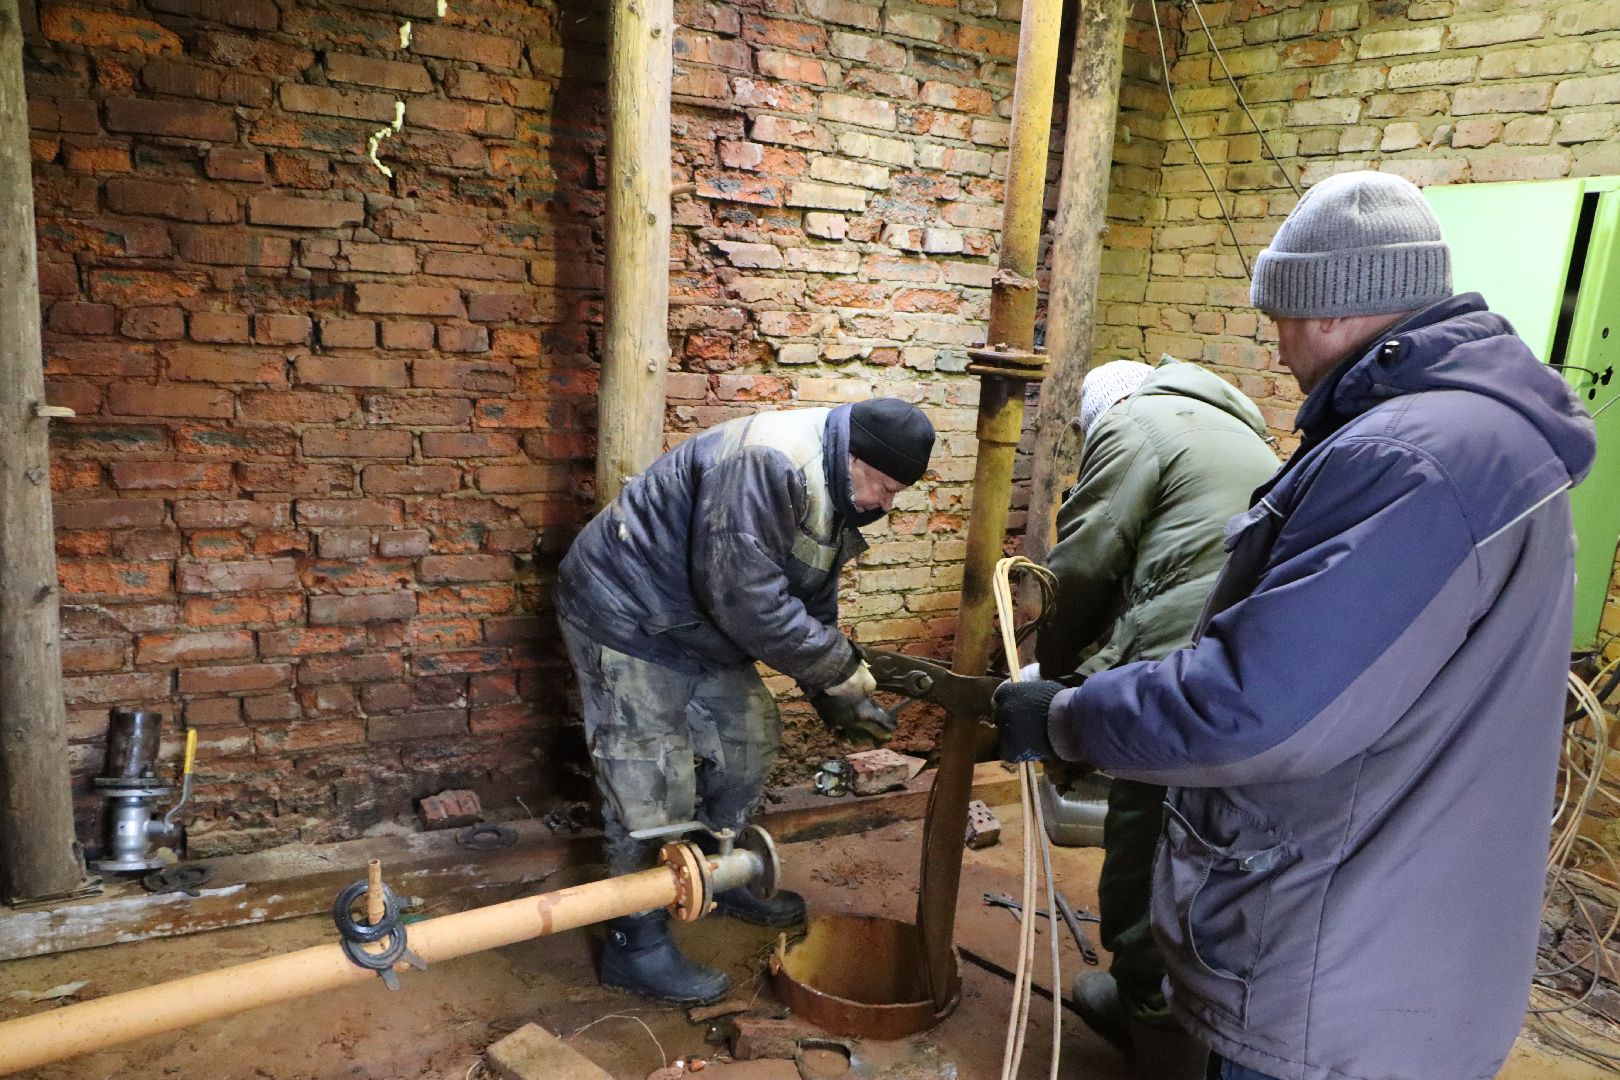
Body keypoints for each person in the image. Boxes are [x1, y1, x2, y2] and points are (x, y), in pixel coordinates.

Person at [994, 171, 1596, 1079]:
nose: (1275, 347)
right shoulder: (1486, 439)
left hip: (1337, 974)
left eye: (1280, 316)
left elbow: (1250, 707)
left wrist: (1065, 711)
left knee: (1138, 818)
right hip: (1416, 946)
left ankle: (1143, 1000)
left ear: (1327, 307)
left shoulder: (1409, 457)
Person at [555, 397, 935, 1005]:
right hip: (627, 612)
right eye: (885, 487)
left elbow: (808, 599)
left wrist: (829, 693)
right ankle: (636, 941)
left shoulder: (836, 489)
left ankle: (717, 870)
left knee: (750, 743)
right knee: (650, 780)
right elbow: (749, 603)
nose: (886, 506)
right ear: (853, 458)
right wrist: (842, 670)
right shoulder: (771, 463)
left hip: (699, 620)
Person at [1038, 356, 1277, 1077]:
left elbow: (1079, 569)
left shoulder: (1131, 422)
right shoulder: (1243, 434)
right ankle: (1202, 1021)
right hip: (1253, 666)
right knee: (1215, 845)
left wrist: (1052, 690)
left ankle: (1152, 1023)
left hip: (1184, 669)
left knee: (1144, 836)